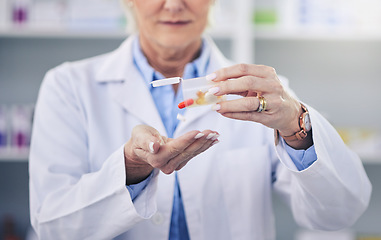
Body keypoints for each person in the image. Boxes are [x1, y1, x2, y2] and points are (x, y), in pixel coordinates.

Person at [29, 0, 372, 239]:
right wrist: (130, 169)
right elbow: (53, 228)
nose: (174, 4)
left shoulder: (265, 95)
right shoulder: (69, 86)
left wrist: (297, 127)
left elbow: (338, 213)